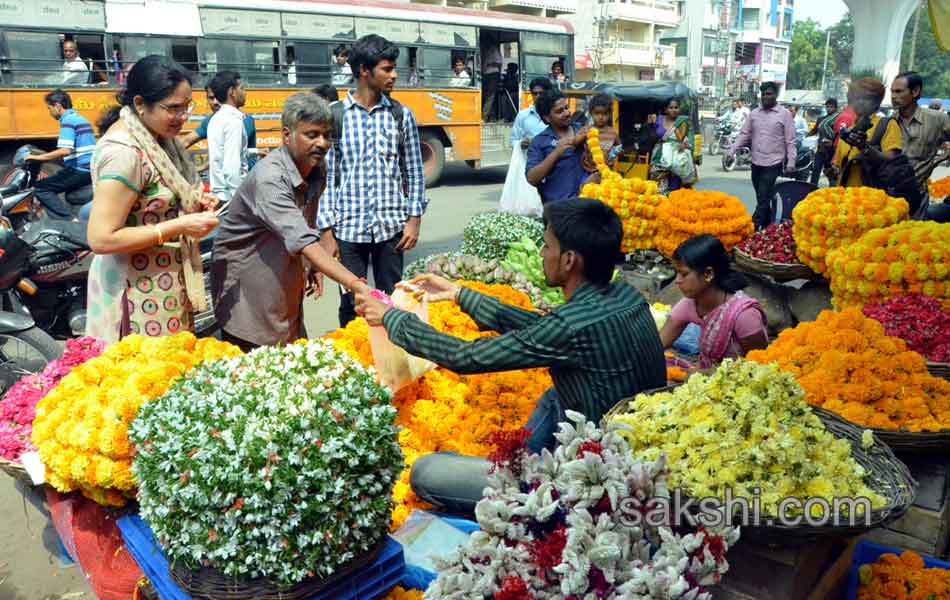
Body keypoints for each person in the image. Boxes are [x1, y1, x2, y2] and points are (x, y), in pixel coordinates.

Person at [353, 197, 666, 512]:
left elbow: (467, 357)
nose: (542, 254)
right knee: (555, 394)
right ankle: (522, 466)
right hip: (626, 442)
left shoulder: (571, 325)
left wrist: (392, 318)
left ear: (569, 259)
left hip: (594, 481)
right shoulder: (625, 295)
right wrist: (460, 294)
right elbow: (542, 329)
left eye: (546, 246)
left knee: (426, 472)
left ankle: (528, 488)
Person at [212, 93, 370, 351]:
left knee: (291, 353)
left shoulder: (316, 168)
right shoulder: (270, 178)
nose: (322, 143)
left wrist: (312, 265)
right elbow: (305, 240)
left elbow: (307, 223)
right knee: (259, 370)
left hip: (283, 282)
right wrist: (356, 285)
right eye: (312, 135)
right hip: (248, 290)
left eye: (327, 135)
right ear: (287, 135)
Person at [85, 55, 219, 343]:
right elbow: (101, 239)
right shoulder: (124, 155)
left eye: (187, 106)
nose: (183, 117)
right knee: (146, 378)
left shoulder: (158, 138)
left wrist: (194, 205)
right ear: (139, 105)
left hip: (163, 283)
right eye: (173, 108)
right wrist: (179, 226)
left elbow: (158, 202)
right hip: (135, 290)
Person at [317, 34, 426, 328]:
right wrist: (326, 231)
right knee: (352, 304)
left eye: (393, 69)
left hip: (392, 229)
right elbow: (326, 179)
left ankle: (391, 362)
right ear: (364, 71)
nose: (394, 75)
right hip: (348, 230)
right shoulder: (335, 117)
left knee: (393, 301)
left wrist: (414, 219)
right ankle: (356, 363)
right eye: (387, 69)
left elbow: (414, 171)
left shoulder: (401, 115)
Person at [660, 235, 768, 369]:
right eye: (677, 273)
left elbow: (761, 363)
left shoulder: (744, 315)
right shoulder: (690, 303)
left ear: (708, 274)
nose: (677, 280)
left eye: (684, 274)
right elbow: (659, 344)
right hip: (705, 376)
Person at [731, 81, 796, 230]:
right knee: (762, 197)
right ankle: (768, 229)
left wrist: (791, 162)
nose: (766, 97)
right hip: (756, 163)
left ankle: (752, 228)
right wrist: (732, 150)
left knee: (764, 197)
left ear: (775, 95)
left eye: (769, 94)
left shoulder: (784, 114)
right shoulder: (754, 114)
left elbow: (790, 141)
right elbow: (744, 134)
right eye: (764, 94)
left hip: (773, 163)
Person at [25, 90, 95, 219]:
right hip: (88, 168)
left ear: (58, 106)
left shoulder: (68, 121)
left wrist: (37, 157)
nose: (49, 112)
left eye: (49, 108)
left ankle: (68, 222)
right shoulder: (79, 118)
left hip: (80, 170)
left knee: (41, 189)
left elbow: (64, 151)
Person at [891, 72, 950, 217]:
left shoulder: (937, 120)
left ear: (915, 91)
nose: (893, 96)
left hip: (917, 196)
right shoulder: (888, 123)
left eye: (898, 91)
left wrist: (939, 159)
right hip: (889, 194)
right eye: (892, 92)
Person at [828, 77, 903, 189]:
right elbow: (837, 169)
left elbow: (891, 161)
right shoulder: (848, 129)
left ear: (877, 102)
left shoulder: (887, 125)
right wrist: (831, 170)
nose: (860, 102)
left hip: (871, 199)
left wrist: (864, 147)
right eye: (857, 97)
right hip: (845, 198)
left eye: (866, 98)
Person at [526, 89, 591, 204]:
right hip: (558, 209)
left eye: (566, 108)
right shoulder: (540, 142)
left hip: (587, 204)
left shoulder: (582, 131)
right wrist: (556, 153)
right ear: (547, 118)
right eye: (559, 111)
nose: (567, 113)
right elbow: (532, 178)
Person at [180, 83, 261, 169]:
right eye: (211, 98)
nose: (215, 102)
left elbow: (230, 154)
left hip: (245, 176)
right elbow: (186, 141)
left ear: (227, 96)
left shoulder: (245, 120)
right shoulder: (209, 121)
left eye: (218, 98)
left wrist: (202, 167)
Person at [207, 71, 248, 202]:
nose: (245, 92)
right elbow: (231, 167)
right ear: (232, 92)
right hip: (230, 197)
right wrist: (240, 200)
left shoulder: (215, 118)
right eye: (242, 88)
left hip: (219, 195)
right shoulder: (233, 121)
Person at [650, 97, 695, 192]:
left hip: (676, 161)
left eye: (676, 107)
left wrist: (685, 144)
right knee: (658, 190)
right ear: (666, 109)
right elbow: (651, 135)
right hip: (659, 159)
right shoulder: (658, 120)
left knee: (674, 190)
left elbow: (690, 141)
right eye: (671, 107)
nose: (673, 110)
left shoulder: (684, 122)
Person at [581, 93, 620, 173]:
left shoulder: (613, 133)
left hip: (606, 172)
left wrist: (615, 153)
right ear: (591, 113)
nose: (600, 117)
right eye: (597, 113)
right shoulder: (587, 130)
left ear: (609, 114)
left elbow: (619, 146)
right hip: (587, 171)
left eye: (605, 114)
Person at [809, 97, 840, 185]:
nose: (829, 109)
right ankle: (811, 188)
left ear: (835, 108)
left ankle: (832, 189)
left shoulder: (837, 120)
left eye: (831, 107)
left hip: (832, 151)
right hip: (821, 149)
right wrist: (806, 135)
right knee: (816, 170)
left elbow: (838, 134)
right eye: (827, 107)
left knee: (830, 172)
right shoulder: (821, 119)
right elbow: (814, 130)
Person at [481, 37, 503, 121]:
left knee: (490, 96)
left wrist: (490, 63)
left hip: (493, 74)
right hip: (485, 74)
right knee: (486, 96)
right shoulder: (484, 49)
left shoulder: (494, 49)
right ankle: (492, 117)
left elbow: (499, 62)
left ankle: (484, 117)